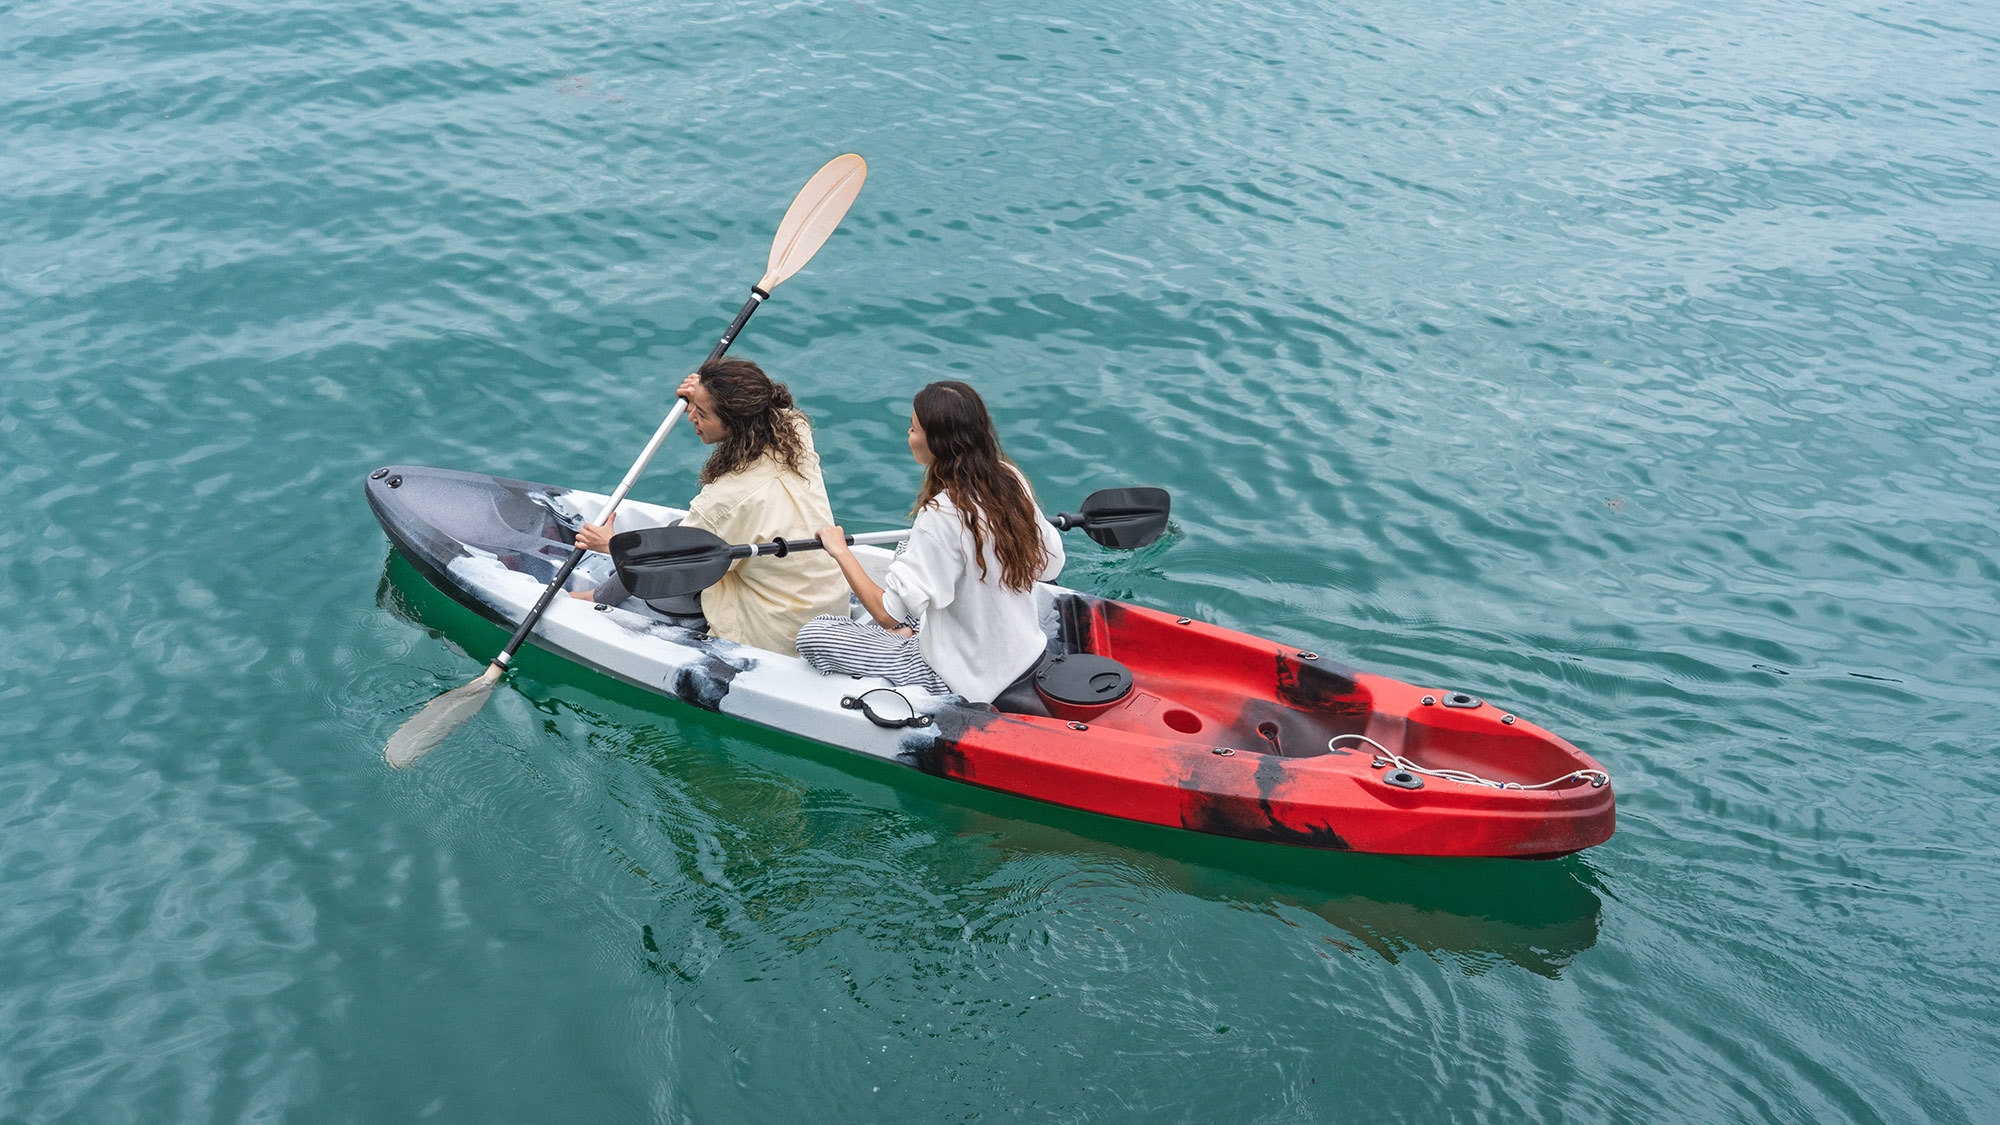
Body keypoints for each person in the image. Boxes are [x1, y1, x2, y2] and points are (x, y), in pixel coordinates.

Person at [798, 380, 1064, 703]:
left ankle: (902, 638)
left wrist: (840, 551)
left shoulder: (940, 513)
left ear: (937, 443)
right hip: (1025, 654)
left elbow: (885, 614)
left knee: (815, 634)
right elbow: (1050, 566)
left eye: (912, 429)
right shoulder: (1008, 478)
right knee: (906, 548)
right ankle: (910, 627)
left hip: (955, 676)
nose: (908, 436)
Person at [570, 358, 849, 657]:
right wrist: (703, 389)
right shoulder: (795, 431)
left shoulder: (723, 502)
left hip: (774, 634)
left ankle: (597, 600)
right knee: (680, 530)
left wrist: (611, 545)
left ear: (735, 423)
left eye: (702, 413)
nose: (690, 416)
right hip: (830, 608)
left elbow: (669, 567)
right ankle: (600, 595)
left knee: (670, 570)